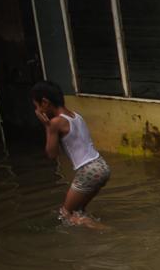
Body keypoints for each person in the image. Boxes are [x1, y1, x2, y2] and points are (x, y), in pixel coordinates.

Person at [32, 80, 110, 228]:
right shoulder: (76, 116)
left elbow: (52, 154)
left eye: (37, 107)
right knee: (78, 211)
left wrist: (47, 126)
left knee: (65, 214)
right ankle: (91, 235)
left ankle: (109, 232)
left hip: (88, 170)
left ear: (45, 102)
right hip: (102, 166)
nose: (37, 111)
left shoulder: (56, 123)